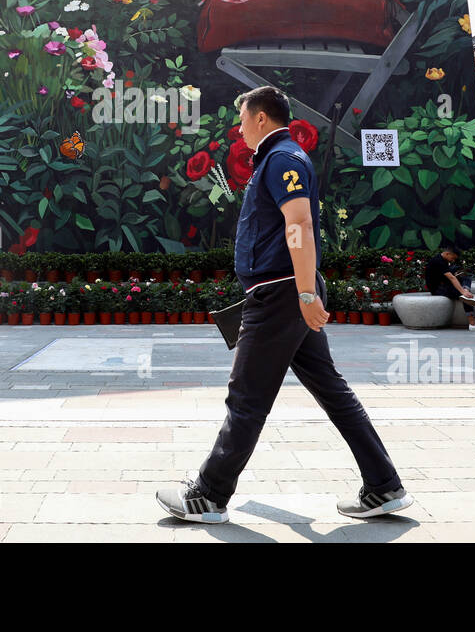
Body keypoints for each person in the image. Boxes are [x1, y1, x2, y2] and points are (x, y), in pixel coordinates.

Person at [157, 86, 413, 523]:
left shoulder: (282, 159)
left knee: (246, 398)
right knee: (333, 392)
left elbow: (299, 223)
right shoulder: (278, 159)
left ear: (261, 119)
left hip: (281, 297)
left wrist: (306, 293)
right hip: (285, 295)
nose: (239, 129)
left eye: (242, 119)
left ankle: (209, 495)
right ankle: (384, 486)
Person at [425, 246, 475, 330]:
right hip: (437, 289)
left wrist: (464, 289)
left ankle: (466, 290)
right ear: (447, 253)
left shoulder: (442, 259)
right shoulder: (438, 261)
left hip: (443, 285)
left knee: (466, 278)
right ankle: (473, 324)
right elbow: (451, 278)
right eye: (452, 258)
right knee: (464, 296)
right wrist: (462, 292)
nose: (453, 260)